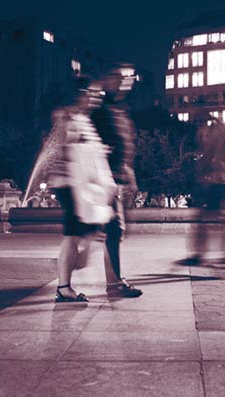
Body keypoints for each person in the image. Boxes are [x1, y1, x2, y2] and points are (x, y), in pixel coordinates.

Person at [49, 77, 115, 303]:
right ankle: (64, 283)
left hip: (76, 185)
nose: (97, 96)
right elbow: (65, 148)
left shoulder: (82, 118)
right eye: (93, 92)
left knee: (83, 233)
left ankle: (66, 276)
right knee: (79, 234)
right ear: (81, 93)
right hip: (69, 185)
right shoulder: (69, 116)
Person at [91, 65, 142, 298]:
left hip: (113, 177)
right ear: (107, 79)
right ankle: (113, 284)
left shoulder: (116, 108)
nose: (124, 81)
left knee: (113, 230)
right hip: (104, 178)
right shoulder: (100, 109)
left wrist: (127, 170)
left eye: (127, 78)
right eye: (118, 77)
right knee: (112, 229)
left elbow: (122, 143)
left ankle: (113, 281)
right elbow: (96, 143)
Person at [183, 115, 225, 265]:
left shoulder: (216, 132)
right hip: (220, 180)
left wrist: (200, 167)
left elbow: (211, 155)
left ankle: (203, 254)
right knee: (217, 219)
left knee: (207, 218)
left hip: (218, 181)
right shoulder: (217, 130)